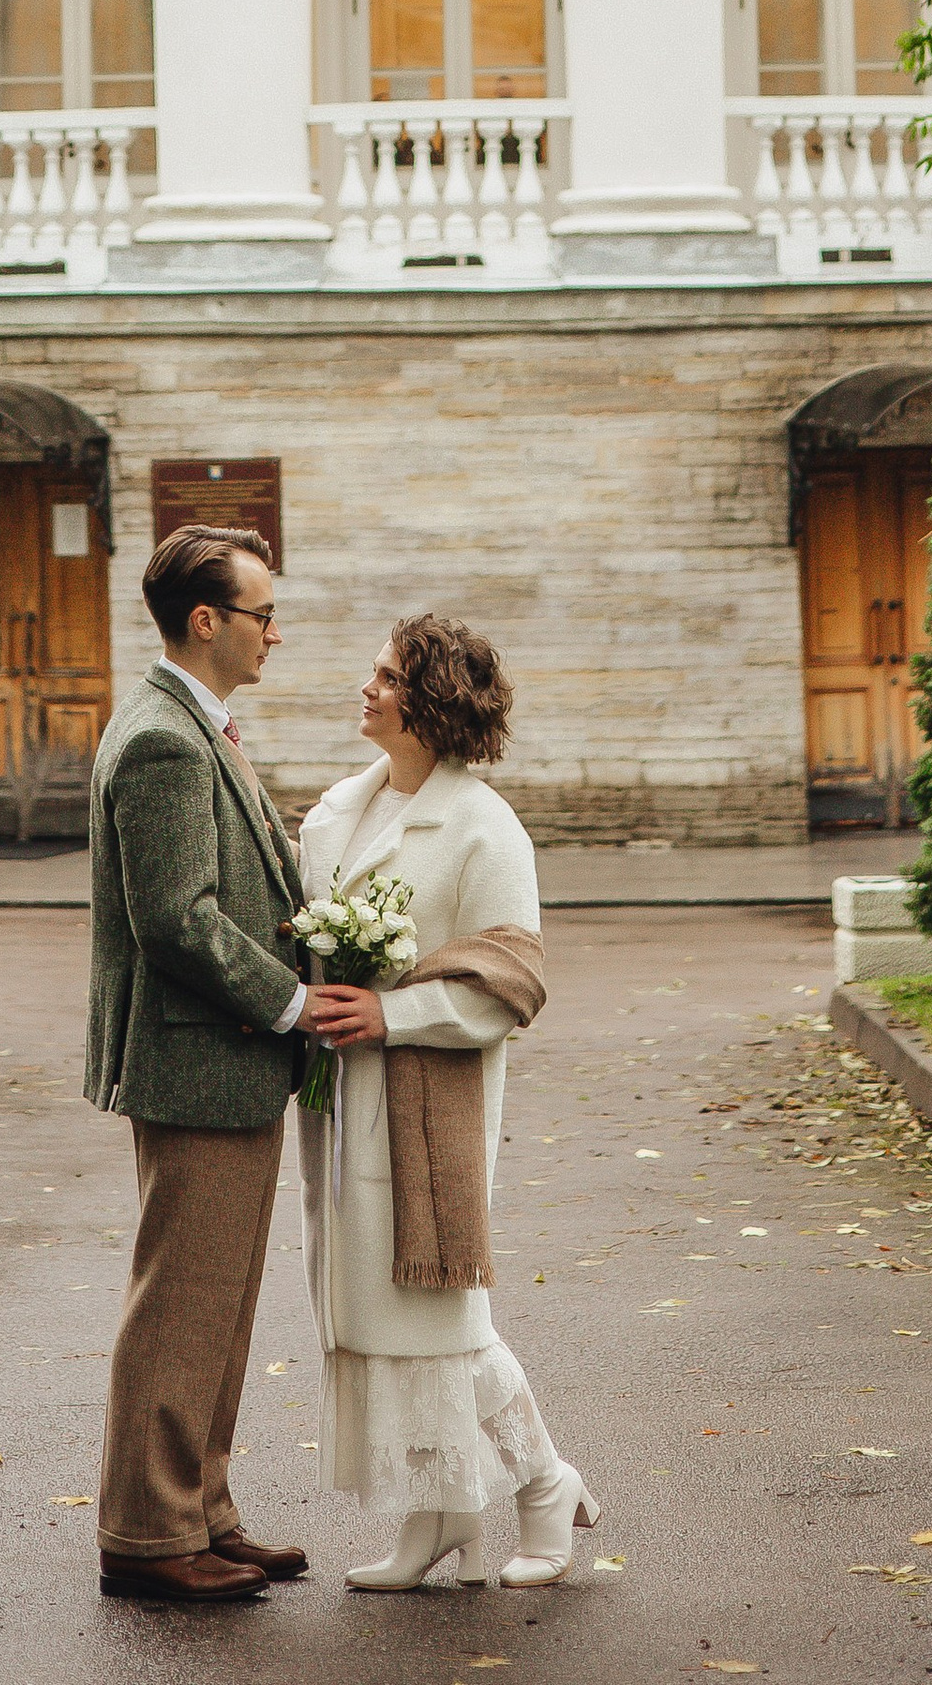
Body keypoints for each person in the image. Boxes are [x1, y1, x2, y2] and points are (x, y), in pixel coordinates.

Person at [294, 613, 598, 1591]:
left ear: (431, 703)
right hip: (340, 1101)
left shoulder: (483, 826)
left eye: (386, 677)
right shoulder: (335, 812)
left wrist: (395, 1014)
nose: (367, 687)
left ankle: (546, 1488)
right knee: (377, 1319)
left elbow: (509, 983)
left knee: (443, 1324)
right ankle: (439, 1521)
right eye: (373, 671)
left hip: (431, 1107)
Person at [85, 522, 312, 1607]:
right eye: (264, 613)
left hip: (226, 1064)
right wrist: (295, 1000)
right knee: (180, 1304)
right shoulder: (163, 739)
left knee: (216, 1303)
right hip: (200, 1059)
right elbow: (176, 919)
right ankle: (145, 1534)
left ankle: (202, 1511)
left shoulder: (195, 722)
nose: (278, 632)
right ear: (207, 619)